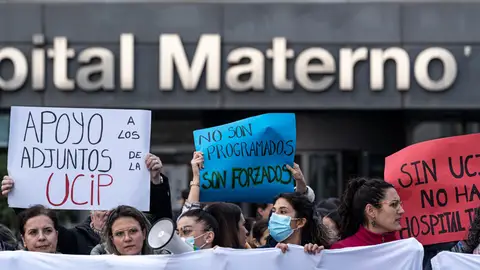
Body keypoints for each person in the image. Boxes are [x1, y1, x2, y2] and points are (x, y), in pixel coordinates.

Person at [1, 153, 173, 255]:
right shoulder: (76, 239)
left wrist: (156, 181)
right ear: (91, 211)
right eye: (102, 207)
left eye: (113, 207)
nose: (109, 213)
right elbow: (40, 224)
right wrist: (19, 194)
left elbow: (162, 224)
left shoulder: (138, 234)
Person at [331, 177, 405, 249]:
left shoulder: (404, 249)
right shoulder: (342, 251)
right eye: (394, 204)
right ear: (371, 211)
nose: (402, 211)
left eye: (400, 204)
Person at [264, 192, 330, 255]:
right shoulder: (262, 253)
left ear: (300, 222)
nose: (275, 216)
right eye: (273, 211)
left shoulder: (314, 251)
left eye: (283, 212)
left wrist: (315, 256)